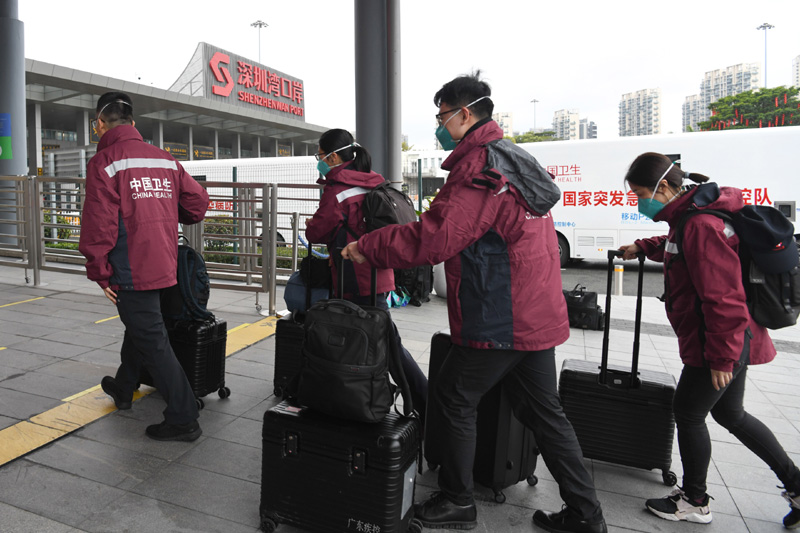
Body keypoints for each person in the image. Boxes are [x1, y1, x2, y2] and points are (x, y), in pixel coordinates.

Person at [342, 72, 607, 533]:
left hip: (503, 314)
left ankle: (458, 500)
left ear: (466, 114)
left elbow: (437, 237)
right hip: (534, 310)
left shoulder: (481, 167)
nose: (439, 125)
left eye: (442, 116)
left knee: (453, 398)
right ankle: (587, 515)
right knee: (545, 414)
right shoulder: (514, 158)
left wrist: (370, 245)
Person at [618, 152, 800, 528]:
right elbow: (680, 248)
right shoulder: (689, 214)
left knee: (688, 412)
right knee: (730, 414)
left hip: (719, 339)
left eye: (639, 193)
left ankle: (695, 501)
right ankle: (797, 485)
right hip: (732, 336)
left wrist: (722, 357)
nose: (638, 202)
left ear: (663, 187)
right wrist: (644, 246)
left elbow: (723, 296)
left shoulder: (698, 223)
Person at [78, 92, 209, 442]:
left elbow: (98, 223)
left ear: (99, 124)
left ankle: (183, 416)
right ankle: (123, 388)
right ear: (133, 123)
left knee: (152, 339)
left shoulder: (104, 162)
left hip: (130, 267)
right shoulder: (164, 159)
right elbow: (197, 204)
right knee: (142, 325)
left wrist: (99, 271)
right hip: (164, 263)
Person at [304, 128, 429, 419]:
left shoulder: (337, 189)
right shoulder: (372, 181)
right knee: (382, 339)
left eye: (320, 155)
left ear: (333, 156)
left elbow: (317, 231)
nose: (319, 160)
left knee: (384, 343)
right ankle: (399, 396)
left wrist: (313, 224)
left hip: (353, 278)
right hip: (379, 274)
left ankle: (423, 399)